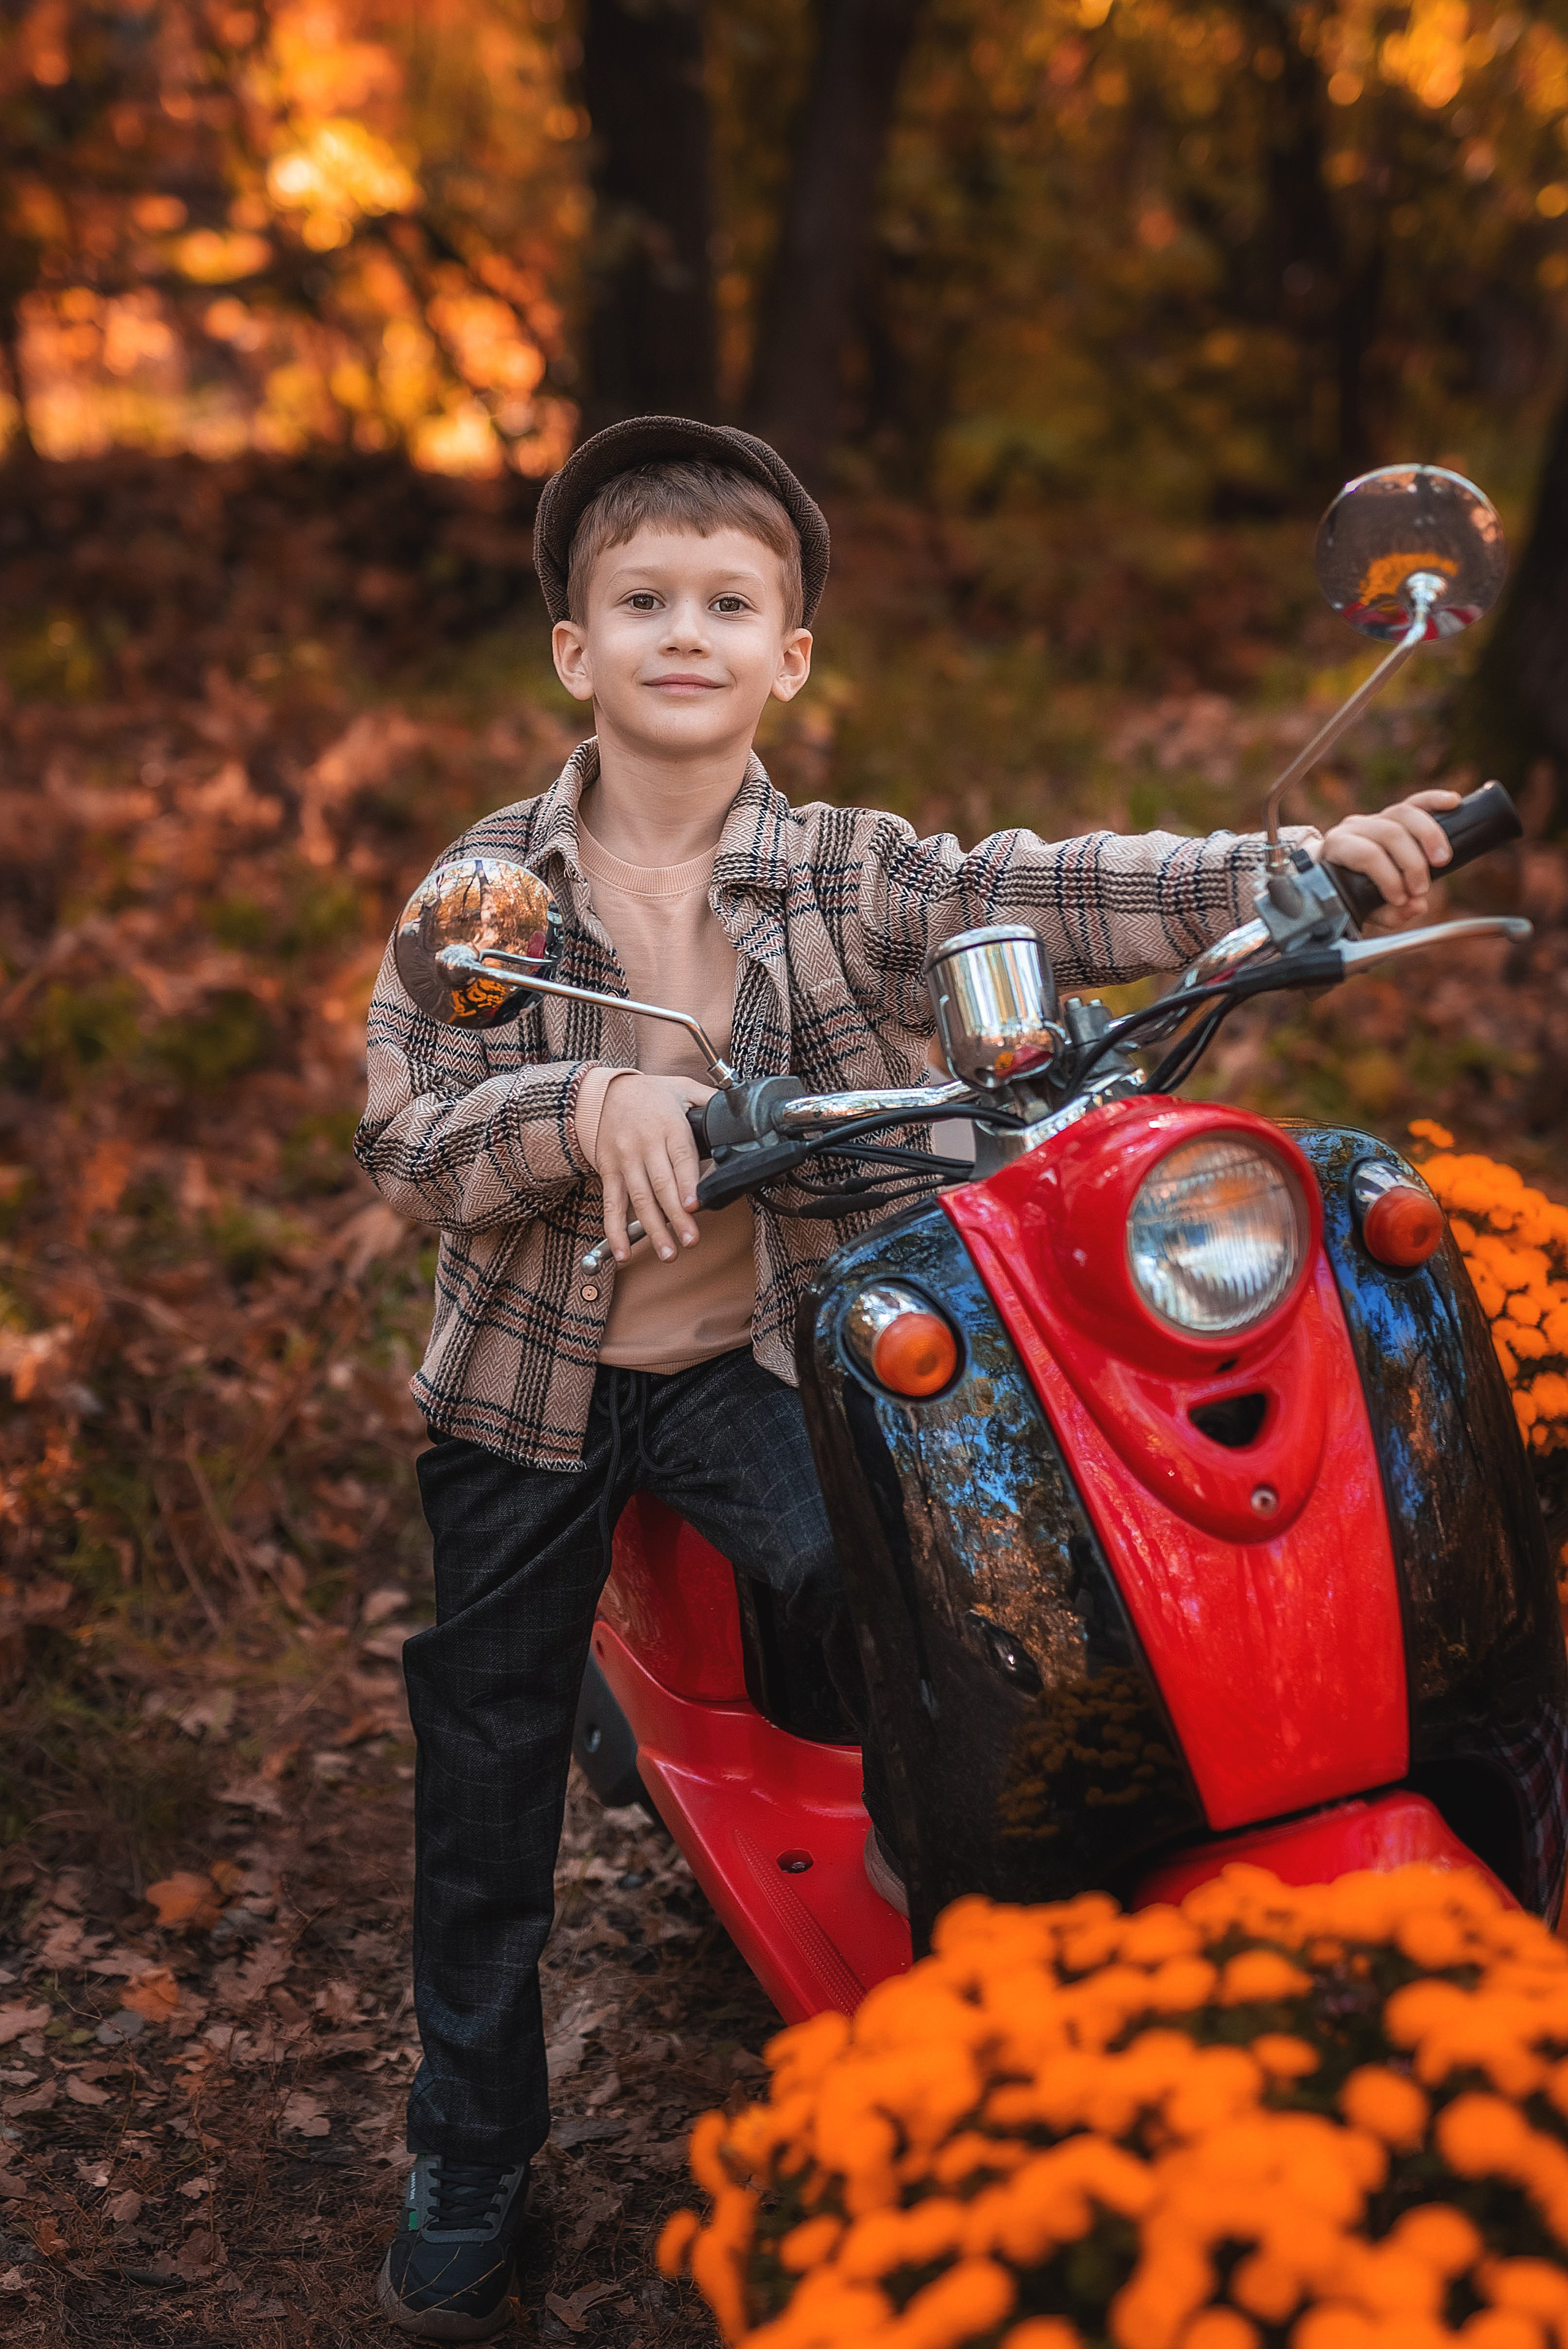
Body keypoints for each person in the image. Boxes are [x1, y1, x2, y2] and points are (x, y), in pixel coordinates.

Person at [355, 414, 1458, 2339]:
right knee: (488, 1753)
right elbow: (408, 1130)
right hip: (530, 1385)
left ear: (789, 654)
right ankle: (472, 2132)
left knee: (909, 1600)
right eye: (640, 602)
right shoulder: (488, 906)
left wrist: (1289, 866)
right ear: (573, 647)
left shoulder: (854, 870)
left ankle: (970, 1978)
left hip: (749, 1355)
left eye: (726, 602)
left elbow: (1050, 883)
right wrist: (584, 1095)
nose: (681, 632)